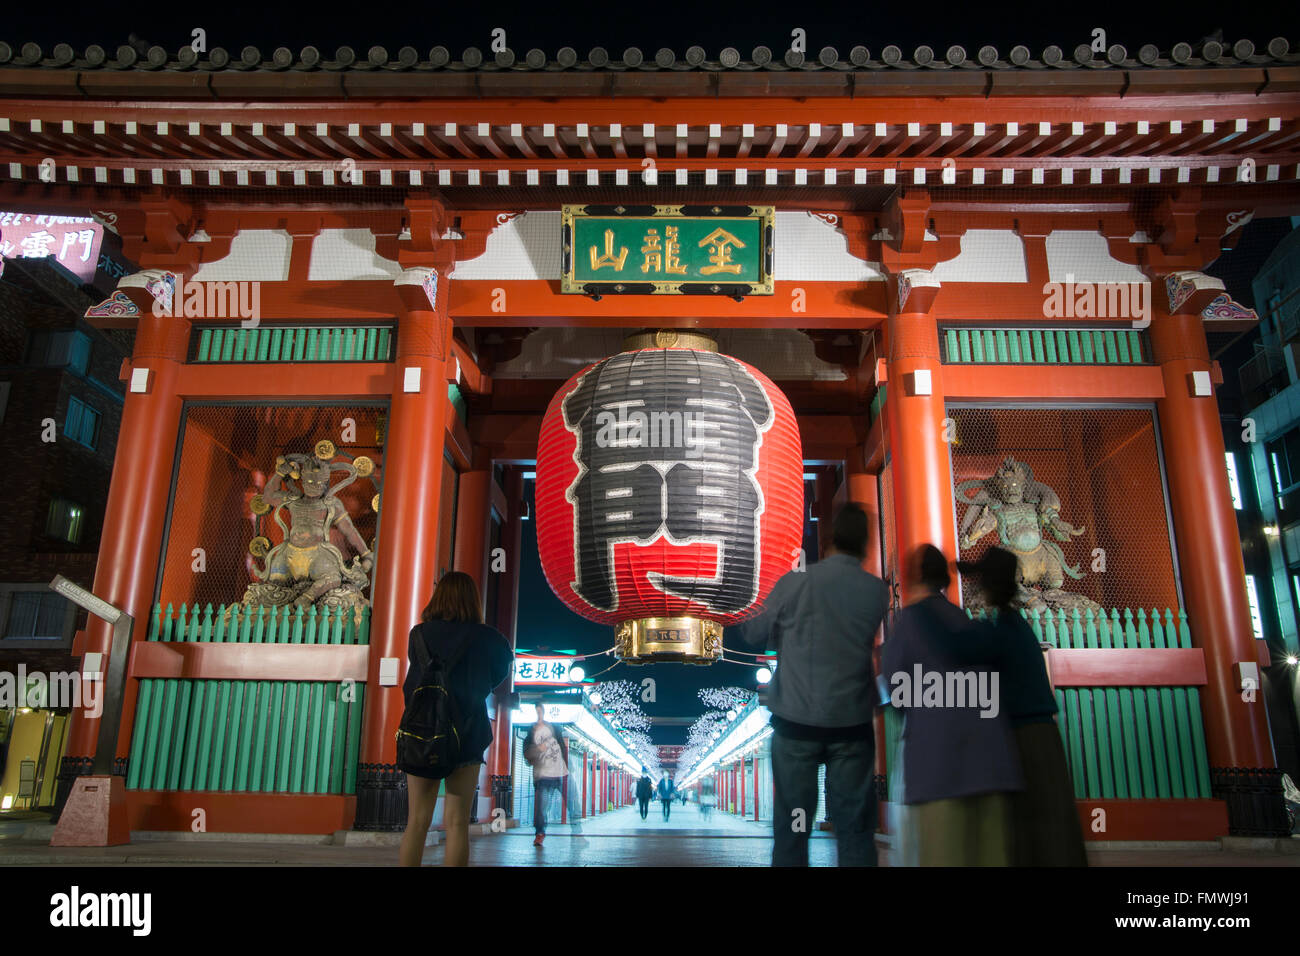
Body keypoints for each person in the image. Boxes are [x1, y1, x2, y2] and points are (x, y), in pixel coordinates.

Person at [738, 502, 890, 867]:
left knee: (794, 827)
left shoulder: (796, 582)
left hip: (795, 725)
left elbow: (753, 631)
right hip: (852, 725)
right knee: (855, 829)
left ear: (830, 538)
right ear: (866, 544)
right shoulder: (877, 592)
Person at [880, 545, 1023, 866]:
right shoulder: (965, 620)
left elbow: (897, 691)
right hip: (990, 761)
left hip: (939, 764)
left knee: (944, 854)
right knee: (990, 854)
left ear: (911, 578)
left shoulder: (909, 624)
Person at [957, 547, 1088, 867]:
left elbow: (954, 653)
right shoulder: (1016, 626)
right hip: (1041, 735)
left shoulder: (996, 632)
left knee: (1035, 834)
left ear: (988, 584)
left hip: (1025, 739)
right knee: (1051, 832)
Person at [399, 571, 513, 868]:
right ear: (472, 601)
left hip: (424, 731)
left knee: (417, 821)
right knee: (458, 822)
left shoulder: (419, 634)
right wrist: (477, 687)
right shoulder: (489, 638)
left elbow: (412, 684)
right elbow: (501, 671)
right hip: (467, 731)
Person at [523, 703, 578, 846]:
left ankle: (577, 831)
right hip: (544, 776)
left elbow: (562, 746)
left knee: (573, 802)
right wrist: (537, 749)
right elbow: (527, 757)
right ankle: (539, 834)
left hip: (562, 773)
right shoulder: (530, 736)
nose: (539, 715)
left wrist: (569, 765)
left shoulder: (555, 729)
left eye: (541, 712)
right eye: (537, 712)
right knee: (541, 808)